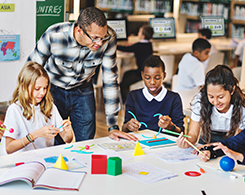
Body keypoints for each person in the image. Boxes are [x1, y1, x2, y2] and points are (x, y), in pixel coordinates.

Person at [27, 7, 138, 142]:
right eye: (95, 38)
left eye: (102, 37)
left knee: (87, 142)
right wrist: (26, 105)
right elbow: (31, 69)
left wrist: (112, 125)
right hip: (53, 91)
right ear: (79, 30)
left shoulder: (109, 38)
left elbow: (110, 80)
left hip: (83, 89)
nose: (100, 43)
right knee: (54, 140)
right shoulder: (54, 34)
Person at [3, 62, 74, 154]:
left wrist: (68, 131)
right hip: (22, 161)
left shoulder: (50, 107)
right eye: (37, 89)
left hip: (44, 158)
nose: (42, 93)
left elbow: (67, 139)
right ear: (23, 87)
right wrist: (35, 134)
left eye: (45, 88)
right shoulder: (15, 109)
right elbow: (9, 148)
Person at [177, 65, 245, 148]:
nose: (216, 102)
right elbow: (193, 134)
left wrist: (210, 148)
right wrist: (187, 142)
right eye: (211, 97)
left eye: (220, 97)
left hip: (231, 142)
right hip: (207, 138)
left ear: (232, 90)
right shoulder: (200, 101)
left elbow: (236, 141)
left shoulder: (243, 108)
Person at [122, 55, 184, 134]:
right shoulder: (133, 96)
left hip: (164, 143)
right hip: (139, 143)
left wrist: (170, 126)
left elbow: (181, 133)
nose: (152, 82)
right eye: (147, 78)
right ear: (142, 76)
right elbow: (124, 129)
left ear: (164, 76)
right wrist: (128, 125)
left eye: (157, 78)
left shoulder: (173, 98)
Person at [118, 25, 154, 104]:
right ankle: (127, 99)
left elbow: (126, 49)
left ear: (143, 36)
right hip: (146, 72)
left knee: (123, 84)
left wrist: (115, 45)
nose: (138, 33)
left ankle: (127, 103)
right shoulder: (149, 45)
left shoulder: (138, 46)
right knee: (126, 74)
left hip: (140, 73)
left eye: (139, 32)